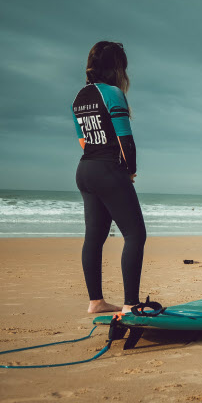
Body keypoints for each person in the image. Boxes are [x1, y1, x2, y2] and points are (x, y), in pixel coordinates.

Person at [72, 41, 147, 313]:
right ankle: (131, 305)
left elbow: (83, 140)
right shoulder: (113, 93)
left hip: (85, 169)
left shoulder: (79, 96)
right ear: (117, 67)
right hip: (107, 169)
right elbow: (125, 139)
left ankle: (96, 302)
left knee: (94, 237)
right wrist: (129, 171)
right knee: (135, 234)